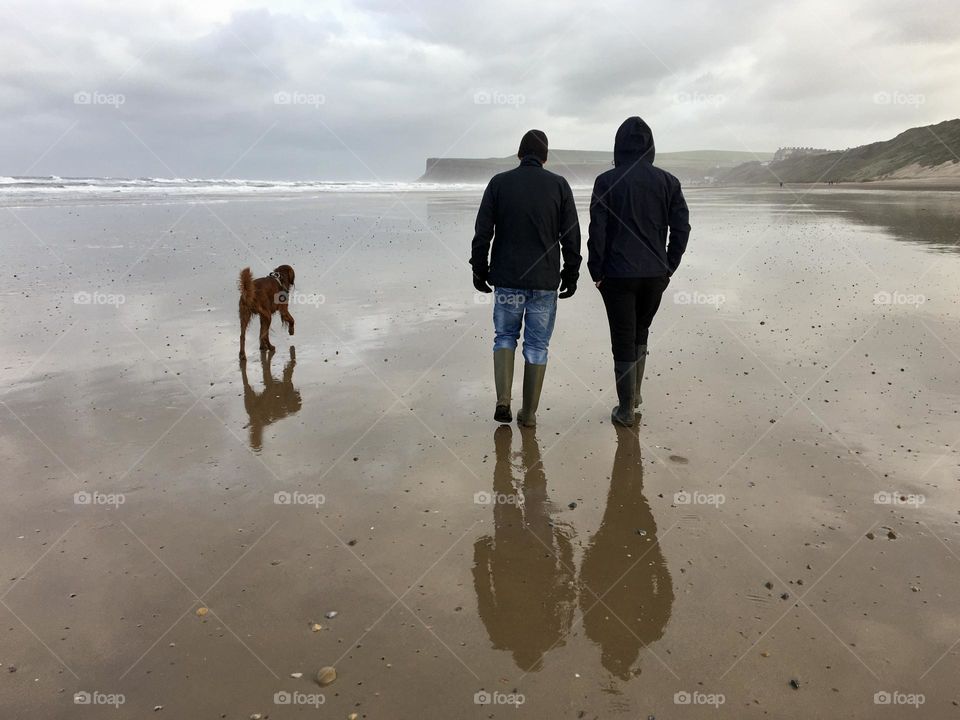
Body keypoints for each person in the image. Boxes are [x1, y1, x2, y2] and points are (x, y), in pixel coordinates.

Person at [471, 129, 582, 427]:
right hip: (544, 282)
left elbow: (483, 232)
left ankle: (503, 401)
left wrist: (478, 269)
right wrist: (571, 273)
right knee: (536, 346)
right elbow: (571, 236)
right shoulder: (559, 186)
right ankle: (529, 414)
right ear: (544, 157)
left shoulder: (499, 183)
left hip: (506, 278)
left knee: (504, 336)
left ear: (520, 154)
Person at [587, 117, 690, 427]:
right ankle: (634, 396)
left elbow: (598, 231)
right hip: (655, 272)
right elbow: (681, 228)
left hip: (616, 274)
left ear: (618, 145)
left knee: (622, 337)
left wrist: (596, 269)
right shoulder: (668, 182)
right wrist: (669, 264)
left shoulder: (606, 181)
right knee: (640, 332)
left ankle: (625, 408)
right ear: (650, 146)